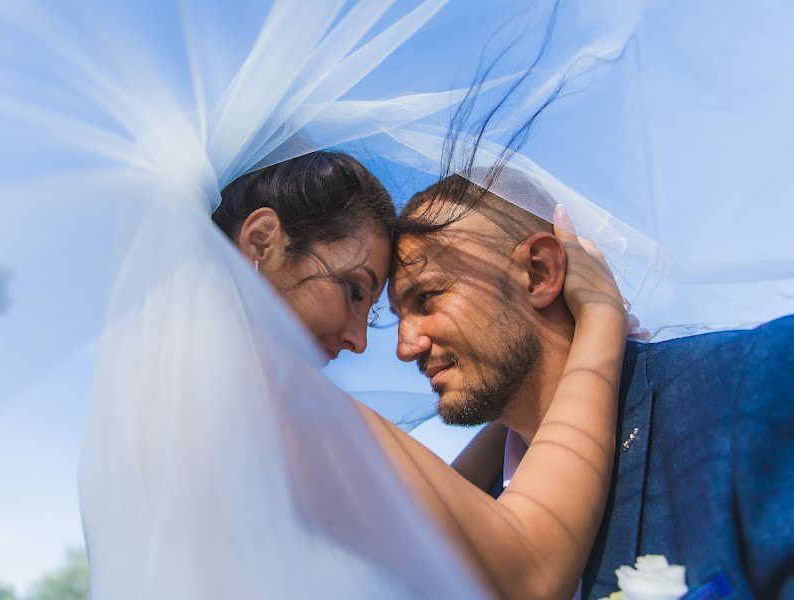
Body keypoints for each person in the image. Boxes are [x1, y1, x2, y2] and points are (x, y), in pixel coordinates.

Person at [199, 149, 628, 598]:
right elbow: (528, 571)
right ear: (262, 242)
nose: (361, 342)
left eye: (426, 300)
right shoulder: (262, 389)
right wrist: (600, 318)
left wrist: (518, 403)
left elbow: (434, 525)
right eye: (352, 289)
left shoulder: (184, 373)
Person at [389, 170, 794, 599]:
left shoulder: (750, 385)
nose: (404, 347)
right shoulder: (474, 521)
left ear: (539, 273)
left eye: (427, 298)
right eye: (397, 315)